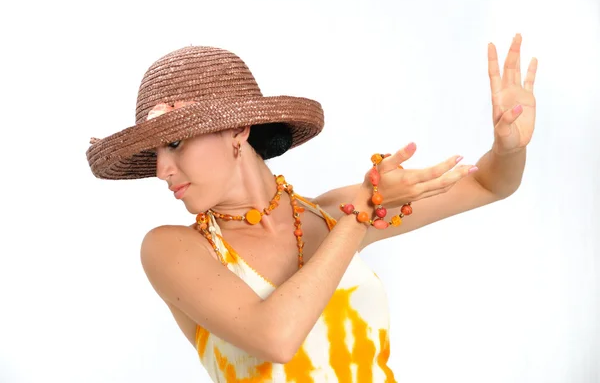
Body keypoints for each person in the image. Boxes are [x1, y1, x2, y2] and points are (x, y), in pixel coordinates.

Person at [86, 34, 537, 382]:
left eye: (175, 143)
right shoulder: (173, 248)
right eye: (156, 154)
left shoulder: (329, 214)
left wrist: (508, 146)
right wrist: (359, 215)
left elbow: (487, 184)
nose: (163, 169)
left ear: (237, 129)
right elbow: (276, 337)